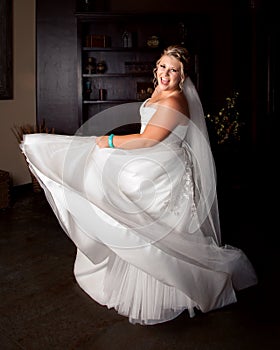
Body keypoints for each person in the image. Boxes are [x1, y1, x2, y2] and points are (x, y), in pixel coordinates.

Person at [20, 45, 257, 325]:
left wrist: (109, 141)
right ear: (156, 68)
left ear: (183, 76)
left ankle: (181, 288)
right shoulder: (159, 93)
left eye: (173, 70)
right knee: (126, 205)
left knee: (153, 225)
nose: (166, 73)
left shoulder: (174, 101)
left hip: (164, 169)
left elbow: (150, 139)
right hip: (153, 161)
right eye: (162, 66)